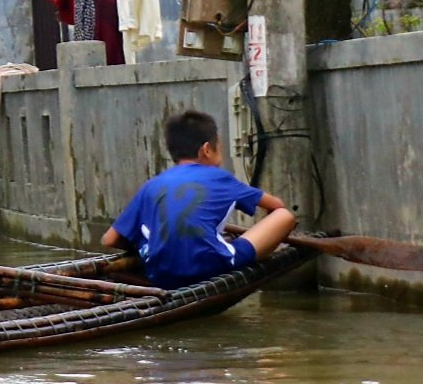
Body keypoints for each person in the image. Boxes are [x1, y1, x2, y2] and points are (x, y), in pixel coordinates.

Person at [101, 110, 297, 288]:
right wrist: (267, 241)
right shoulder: (220, 177)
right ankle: (253, 257)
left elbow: (110, 239)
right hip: (209, 267)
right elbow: (277, 207)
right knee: (284, 216)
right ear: (207, 150)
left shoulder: (152, 185)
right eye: (219, 146)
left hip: (158, 274)